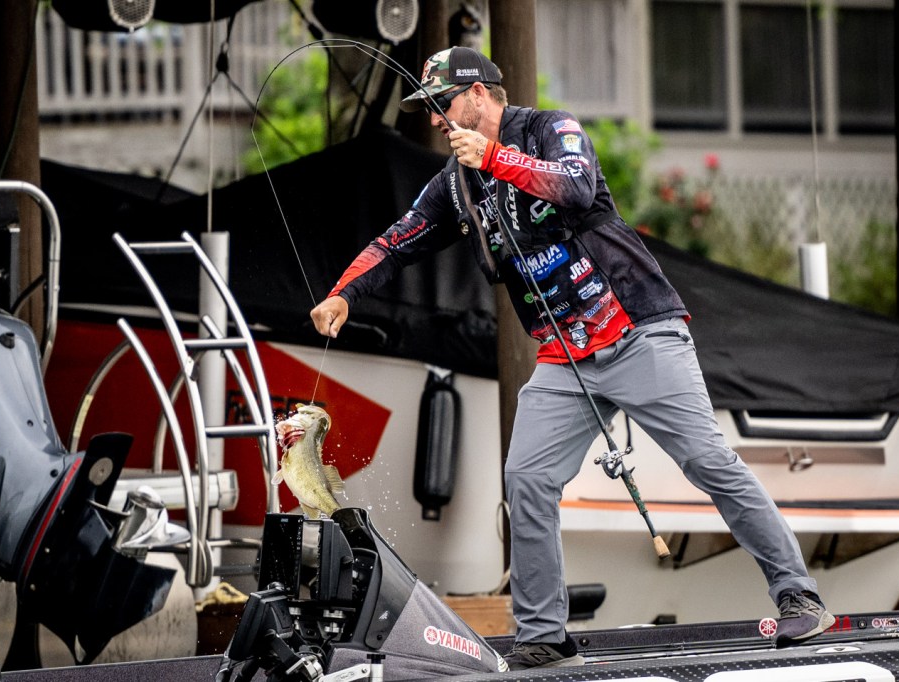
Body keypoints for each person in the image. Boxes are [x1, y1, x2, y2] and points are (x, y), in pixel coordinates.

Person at [309, 46, 834, 670]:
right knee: (526, 477)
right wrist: (343, 293)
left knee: (707, 460)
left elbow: (578, 187)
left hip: (638, 329)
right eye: (427, 109)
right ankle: (544, 635)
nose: (434, 120)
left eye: (441, 104)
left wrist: (495, 158)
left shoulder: (550, 129)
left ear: (478, 94)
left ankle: (800, 595)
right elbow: (397, 242)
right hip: (565, 354)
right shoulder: (454, 182)